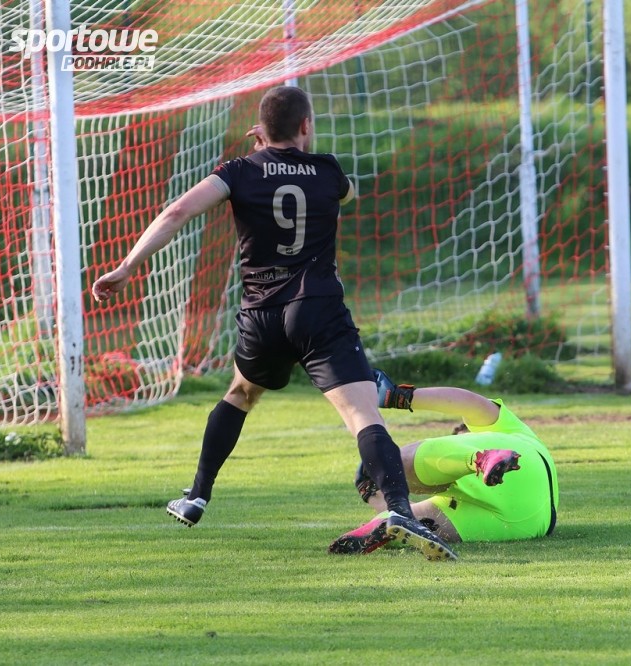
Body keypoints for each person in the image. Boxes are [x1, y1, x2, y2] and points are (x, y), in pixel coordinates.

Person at [91, 86, 455, 561]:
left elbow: (178, 210)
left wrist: (126, 267)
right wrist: (294, 156)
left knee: (241, 394)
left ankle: (197, 495)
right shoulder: (328, 170)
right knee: (362, 414)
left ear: (261, 129)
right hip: (318, 310)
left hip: (261, 315)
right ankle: (401, 513)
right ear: (305, 126)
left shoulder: (238, 171)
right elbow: (349, 193)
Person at [328, 369, 559, 555]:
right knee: (407, 521)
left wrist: (375, 480)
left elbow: (470, 404)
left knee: (391, 460)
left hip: (521, 510)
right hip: (530, 522)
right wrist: (399, 396)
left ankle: (478, 458)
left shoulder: (494, 434)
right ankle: (373, 528)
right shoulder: (519, 433)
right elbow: (470, 402)